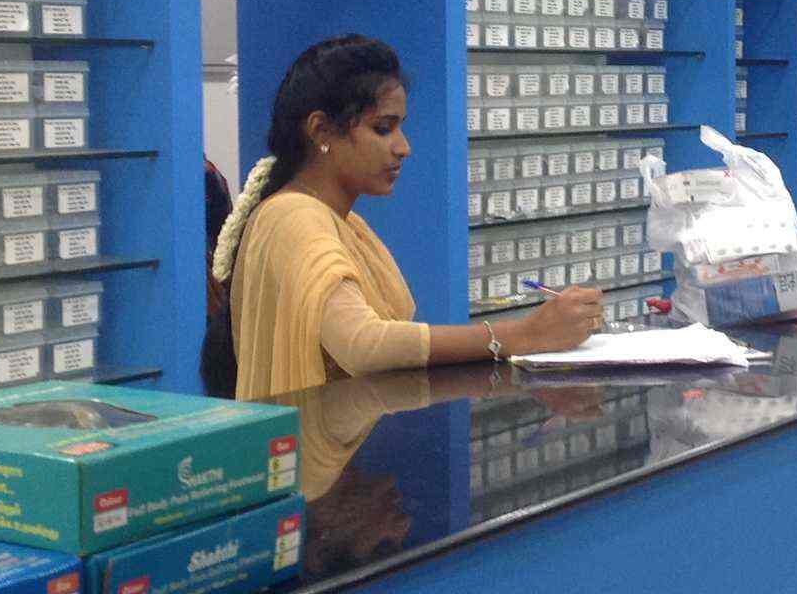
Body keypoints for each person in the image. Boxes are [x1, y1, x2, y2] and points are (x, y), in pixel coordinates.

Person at [203, 35, 603, 399]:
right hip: (311, 455)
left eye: (400, 128)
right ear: (321, 131)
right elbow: (363, 344)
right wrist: (521, 334)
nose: (403, 147)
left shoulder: (341, 222)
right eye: (383, 128)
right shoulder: (294, 217)